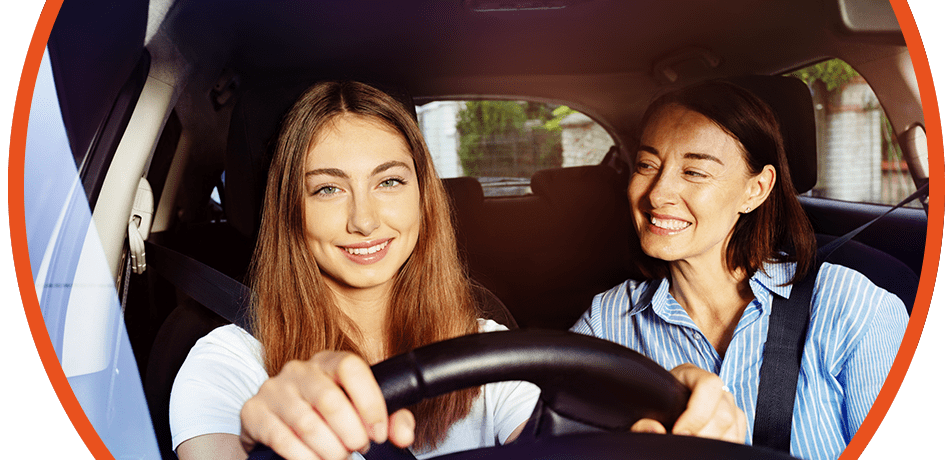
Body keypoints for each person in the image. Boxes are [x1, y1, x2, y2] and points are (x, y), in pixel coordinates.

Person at [170, 80, 745, 460]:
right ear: (290, 210)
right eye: (327, 189)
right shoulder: (226, 363)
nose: (364, 220)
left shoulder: (489, 348)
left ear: (425, 197)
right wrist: (256, 439)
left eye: (389, 182)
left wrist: (664, 416)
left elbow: (556, 440)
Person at [570, 80, 909, 460]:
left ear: (756, 190)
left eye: (694, 172)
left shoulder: (852, 308)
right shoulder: (607, 321)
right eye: (647, 165)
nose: (657, 193)